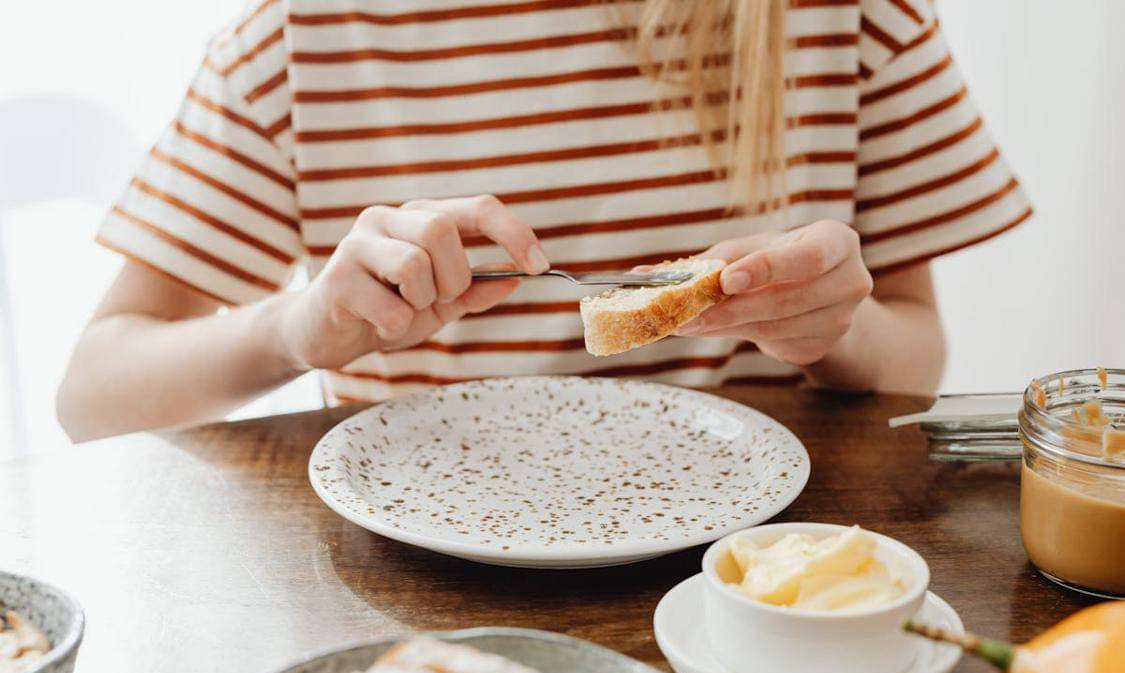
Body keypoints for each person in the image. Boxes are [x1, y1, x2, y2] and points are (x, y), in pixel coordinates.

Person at [57, 0, 1030, 442]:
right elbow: (92, 394)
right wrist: (293, 330)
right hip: (409, 589)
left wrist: (836, 329)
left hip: (743, 581)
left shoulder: (850, 16)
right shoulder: (298, 36)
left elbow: (918, 359)